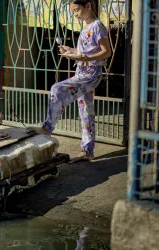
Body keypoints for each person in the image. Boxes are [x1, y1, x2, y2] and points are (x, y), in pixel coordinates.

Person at [28, 0, 111, 160]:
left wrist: (85, 57)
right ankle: (88, 151)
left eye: (77, 10)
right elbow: (84, 52)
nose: (75, 14)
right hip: (83, 71)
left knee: (57, 89)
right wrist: (71, 50)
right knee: (86, 111)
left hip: (90, 74)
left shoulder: (97, 26)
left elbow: (106, 52)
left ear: (88, 6)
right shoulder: (86, 27)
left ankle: (48, 127)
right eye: (73, 11)